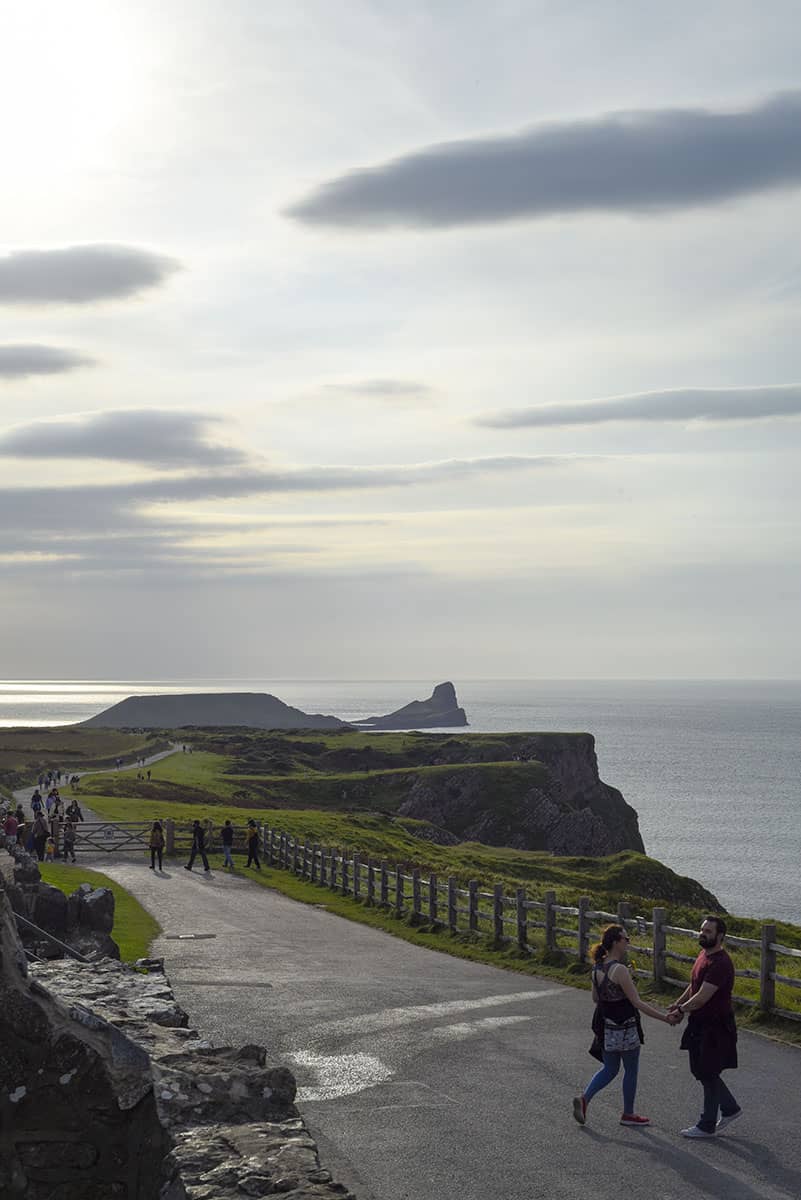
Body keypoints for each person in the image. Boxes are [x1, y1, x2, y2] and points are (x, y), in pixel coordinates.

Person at [573, 924, 674, 1127]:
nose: (628, 943)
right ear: (617, 942)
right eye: (626, 939)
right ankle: (628, 1113)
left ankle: (585, 1098)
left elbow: (595, 998)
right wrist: (665, 1018)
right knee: (631, 1069)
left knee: (610, 1068)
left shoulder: (597, 968)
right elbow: (637, 1002)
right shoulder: (619, 970)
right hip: (625, 1026)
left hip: (606, 1027)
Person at [669, 916, 740, 1139]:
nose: (703, 934)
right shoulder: (703, 955)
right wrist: (679, 1005)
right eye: (702, 930)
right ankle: (730, 1108)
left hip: (716, 1026)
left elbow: (702, 998)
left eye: (708, 931)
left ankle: (707, 1124)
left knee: (708, 1072)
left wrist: (681, 1011)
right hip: (699, 1023)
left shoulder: (721, 963)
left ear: (720, 936)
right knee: (701, 1071)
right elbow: (693, 987)